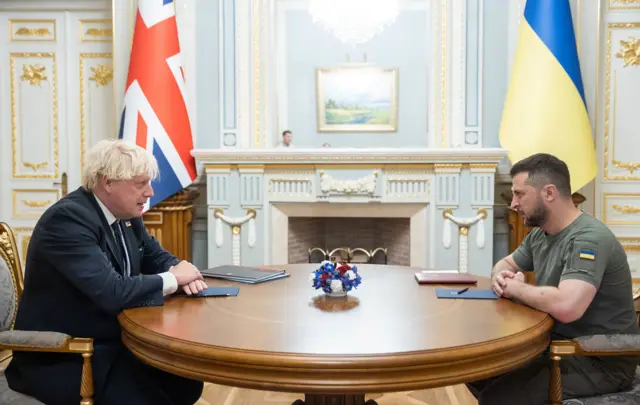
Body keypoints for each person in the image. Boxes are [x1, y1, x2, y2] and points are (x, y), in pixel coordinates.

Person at [5, 139, 207, 405]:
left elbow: (153, 255)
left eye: (149, 183)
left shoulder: (126, 214)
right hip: (69, 356)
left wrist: (180, 269)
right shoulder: (67, 220)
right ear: (107, 182)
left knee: (187, 383)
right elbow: (112, 291)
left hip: (113, 342)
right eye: (140, 184)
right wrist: (173, 279)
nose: (149, 193)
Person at [466, 153, 639, 405]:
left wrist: (514, 288)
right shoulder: (540, 236)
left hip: (598, 360)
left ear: (549, 193)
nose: (513, 203)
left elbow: (568, 307)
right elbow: (506, 263)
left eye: (520, 194)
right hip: (554, 347)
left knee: (497, 398)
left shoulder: (588, 239)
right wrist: (499, 275)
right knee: (477, 371)